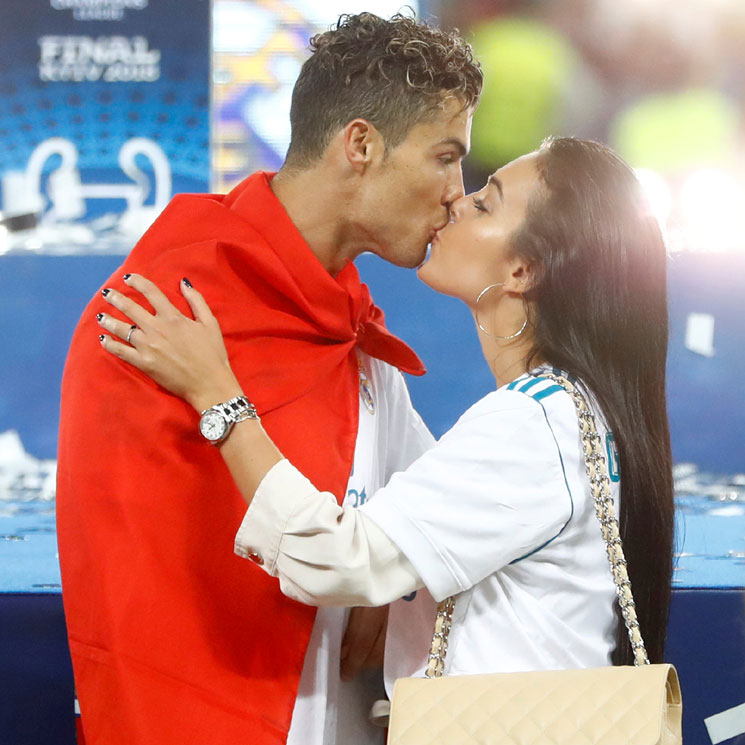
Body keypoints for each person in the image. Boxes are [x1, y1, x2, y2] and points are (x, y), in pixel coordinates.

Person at [97, 137, 675, 694]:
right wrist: (397, 589)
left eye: (485, 200)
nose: (457, 200)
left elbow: (335, 559)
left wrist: (218, 396)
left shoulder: (531, 425)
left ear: (524, 271)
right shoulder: (572, 409)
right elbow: (418, 521)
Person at [56, 12, 482, 745]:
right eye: (445, 157)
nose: (456, 191)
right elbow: (129, 588)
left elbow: (412, 509)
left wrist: (389, 580)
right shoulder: (161, 310)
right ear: (360, 145)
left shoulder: (343, 323)